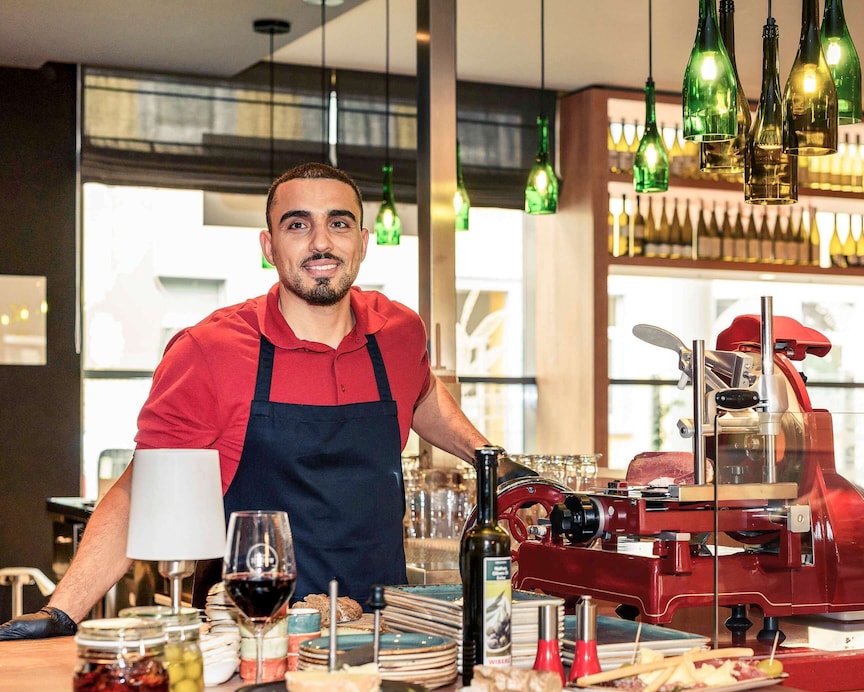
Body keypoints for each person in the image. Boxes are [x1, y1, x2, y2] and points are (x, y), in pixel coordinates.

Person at [1, 162, 526, 640]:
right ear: (269, 246)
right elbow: (144, 490)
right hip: (251, 633)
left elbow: (423, 393)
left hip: (384, 630)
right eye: (298, 225)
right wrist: (62, 611)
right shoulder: (209, 350)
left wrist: (494, 462)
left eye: (339, 223)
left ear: (363, 242)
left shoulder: (398, 332)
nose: (321, 242)